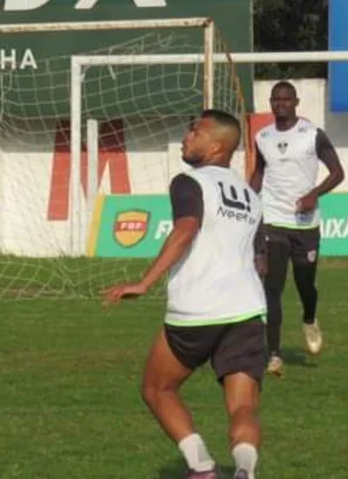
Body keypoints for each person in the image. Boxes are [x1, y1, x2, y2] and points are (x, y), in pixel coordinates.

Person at [103, 110, 266, 479]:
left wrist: (144, 282)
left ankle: (202, 467)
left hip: (196, 311)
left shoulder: (189, 182)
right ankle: (245, 470)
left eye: (196, 132)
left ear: (217, 146)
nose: (186, 136)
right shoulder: (250, 195)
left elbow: (186, 229)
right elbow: (259, 257)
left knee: (157, 388)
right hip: (247, 309)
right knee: (243, 407)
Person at [250, 81, 344, 376]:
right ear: (271, 102)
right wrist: (249, 201)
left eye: (286, 99)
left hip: (306, 226)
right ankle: (274, 355)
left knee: (306, 287)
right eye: (276, 99)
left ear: (296, 102)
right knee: (272, 288)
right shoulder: (262, 137)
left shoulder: (312, 134)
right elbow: (260, 171)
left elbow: (338, 173)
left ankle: (309, 318)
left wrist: (313, 195)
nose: (280, 104)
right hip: (274, 221)